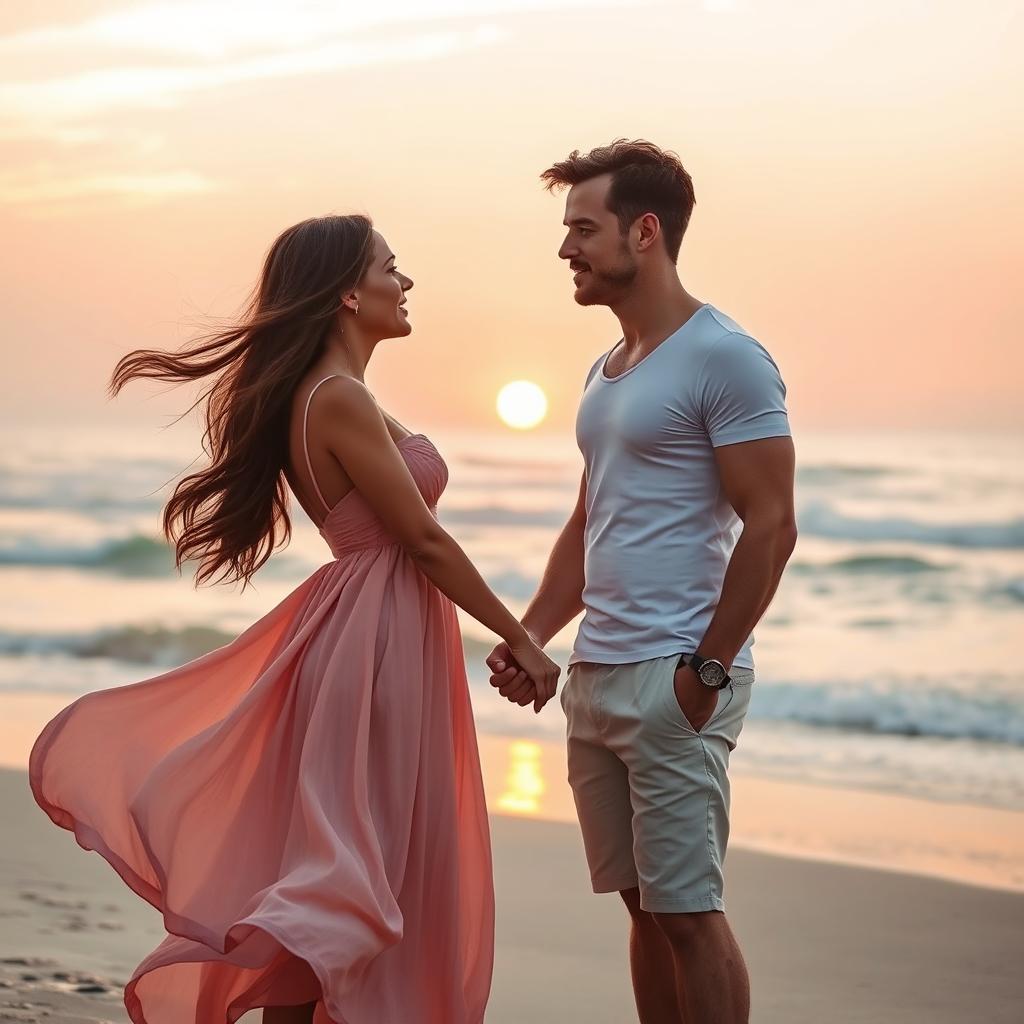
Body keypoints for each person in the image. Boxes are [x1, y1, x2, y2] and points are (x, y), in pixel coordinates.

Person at [28, 214, 559, 1024]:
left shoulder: (335, 393)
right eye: (391, 265)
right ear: (349, 291)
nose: (405, 281)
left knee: (345, 875)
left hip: (374, 629)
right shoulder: (336, 396)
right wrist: (520, 637)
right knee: (344, 883)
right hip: (378, 640)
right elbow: (419, 536)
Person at [487, 140, 797, 1024]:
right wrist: (530, 637)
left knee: (690, 914)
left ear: (646, 232)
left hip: (676, 675)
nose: (565, 250)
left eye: (583, 228)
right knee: (642, 908)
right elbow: (591, 526)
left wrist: (704, 671)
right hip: (597, 675)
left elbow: (772, 526)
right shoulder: (607, 369)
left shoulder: (726, 357)